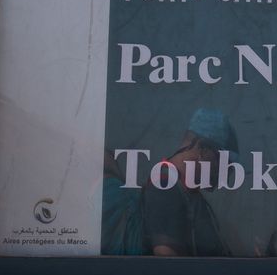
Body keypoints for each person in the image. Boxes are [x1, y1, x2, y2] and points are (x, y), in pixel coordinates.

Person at [100, 108, 233, 257]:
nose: (227, 171)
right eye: (224, 160)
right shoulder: (165, 187)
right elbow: (168, 266)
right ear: (203, 149)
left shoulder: (189, 194)